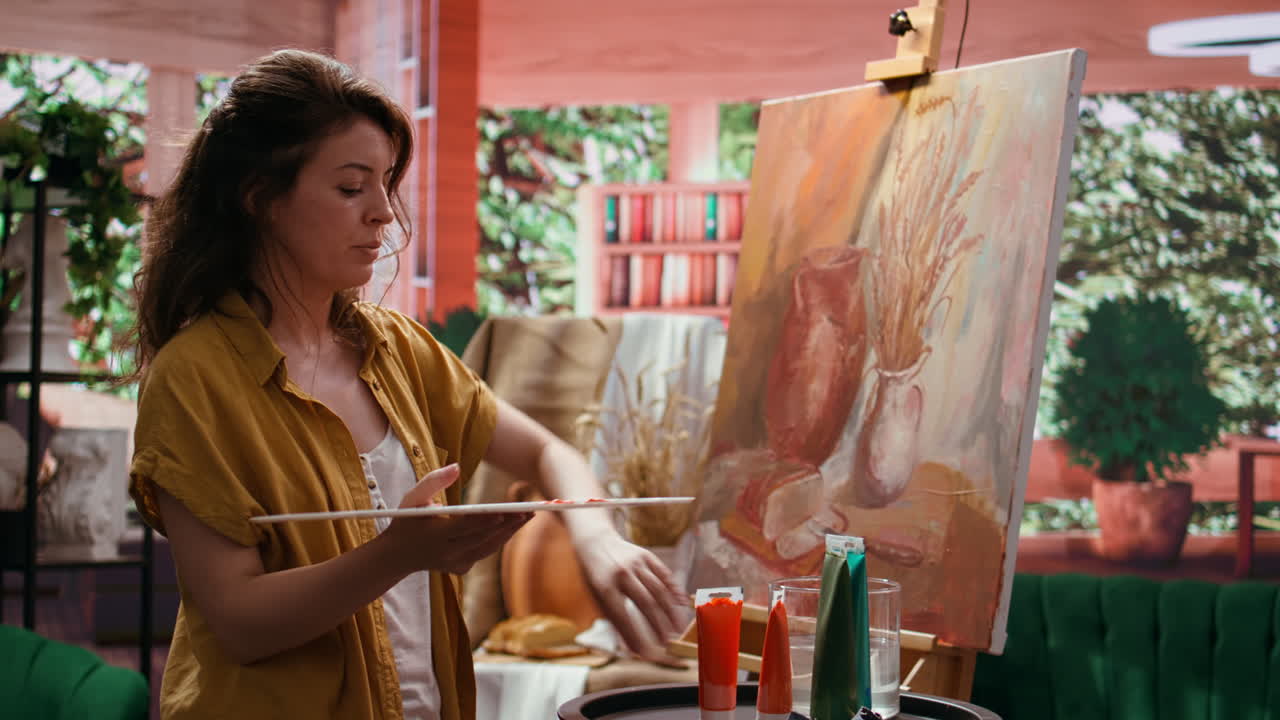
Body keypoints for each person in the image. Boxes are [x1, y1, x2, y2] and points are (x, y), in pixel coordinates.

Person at [127, 48, 686, 720]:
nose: (383, 214)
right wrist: (397, 553)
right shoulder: (193, 379)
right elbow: (240, 621)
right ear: (261, 199)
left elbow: (546, 454)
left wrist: (594, 536)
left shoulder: (397, 348)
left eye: (385, 183)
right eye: (350, 186)